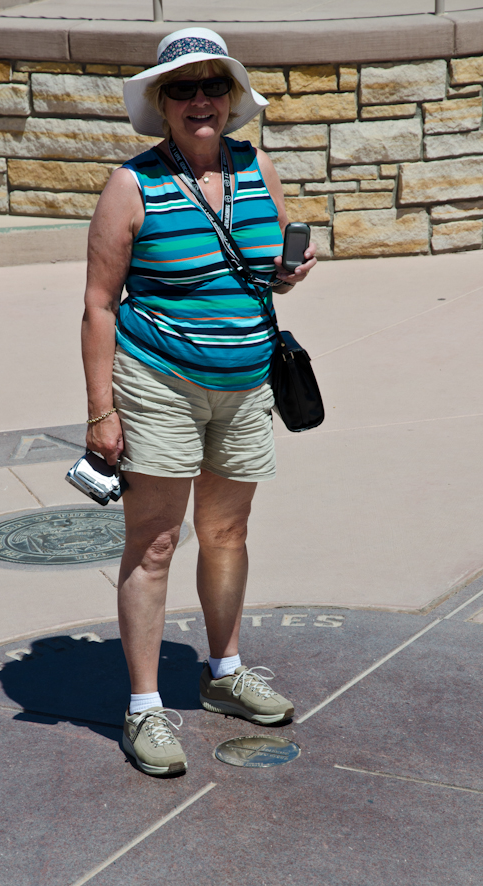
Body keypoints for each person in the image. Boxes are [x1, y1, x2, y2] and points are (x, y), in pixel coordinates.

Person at [81, 27, 316, 776]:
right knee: (154, 544)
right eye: (181, 88)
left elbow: (262, 270)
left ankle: (223, 674)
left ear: (231, 98)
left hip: (245, 386)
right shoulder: (132, 184)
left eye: (211, 84)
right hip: (158, 384)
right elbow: (97, 304)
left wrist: (290, 270)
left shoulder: (257, 167)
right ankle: (144, 708)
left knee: (227, 534)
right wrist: (101, 411)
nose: (199, 99)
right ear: (161, 103)